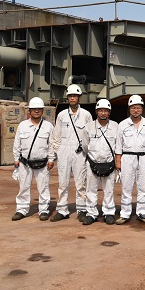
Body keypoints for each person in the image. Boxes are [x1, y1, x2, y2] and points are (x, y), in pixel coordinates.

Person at [49, 84, 93, 222]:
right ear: (67, 98)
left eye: (75, 96)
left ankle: (81, 209)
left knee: (80, 183)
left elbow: (91, 135)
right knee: (63, 182)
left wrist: (89, 154)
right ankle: (62, 210)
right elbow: (56, 137)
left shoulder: (86, 115)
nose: (72, 98)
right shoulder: (62, 115)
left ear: (79, 98)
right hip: (64, 151)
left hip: (80, 152)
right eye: (70, 96)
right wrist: (54, 155)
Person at [11, 97, 55, 221]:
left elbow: (52, 144)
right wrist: (16, 158)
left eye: (39, 109)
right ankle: (21, 210)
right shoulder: (23, 126)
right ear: (29, 111)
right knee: (23, 187)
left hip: (42, 163)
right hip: (25, 163)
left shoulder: (48, 126)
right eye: (34, 109)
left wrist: (51, 159)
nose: (36, 111)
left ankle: (44, 210)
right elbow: (17, 143)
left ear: (42, 111)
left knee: (43, 187)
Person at [115, 95, 145, 224]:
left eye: (138, 108)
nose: (135, 110)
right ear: (129, 109)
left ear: (142, 109)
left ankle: (142, 212)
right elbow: (118, 144)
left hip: (143, 157)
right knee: (126, 186)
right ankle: (125, 213)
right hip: (127, 157)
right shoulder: (123, 124)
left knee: (143, 187)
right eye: (133, 108)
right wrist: (118, 161)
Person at [81, 99, 118, 225]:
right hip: (93, 162)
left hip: (109, 162)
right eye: (101, 110)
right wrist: (93, 157)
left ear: (109, 112)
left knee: (109, 189)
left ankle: (109, 212)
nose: (103, 113)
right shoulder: (89, 127)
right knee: (91, 189)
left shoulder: (115, 126)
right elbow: (85, 145)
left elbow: (118, 145)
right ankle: (91, 213)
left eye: (106, 111)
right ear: (96, 112)